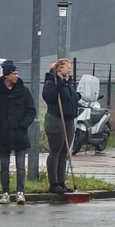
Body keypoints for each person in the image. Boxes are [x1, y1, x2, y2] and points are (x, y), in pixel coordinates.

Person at [0, 60, 37, 204]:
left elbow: (31, 111)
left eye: (17, 73)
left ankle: (20, 192)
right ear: (7, 75)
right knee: (4, 166)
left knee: (20, 165)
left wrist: (23, 125)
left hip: (20, 134)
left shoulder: (24, 91)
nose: (17, 76)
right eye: (14, 73)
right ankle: (5, 193)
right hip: (4, 134)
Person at [42, 58, 77, 194]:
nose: (70, 69)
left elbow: (70, 98)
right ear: (60, 68)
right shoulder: (52, 81)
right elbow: (48, 96)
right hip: (56, 119)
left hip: (69, 119)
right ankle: (53, 183)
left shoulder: (68, 83)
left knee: (64, 152)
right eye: (68, 67)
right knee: (55, 150)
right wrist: (59, 85)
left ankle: (61, 182)